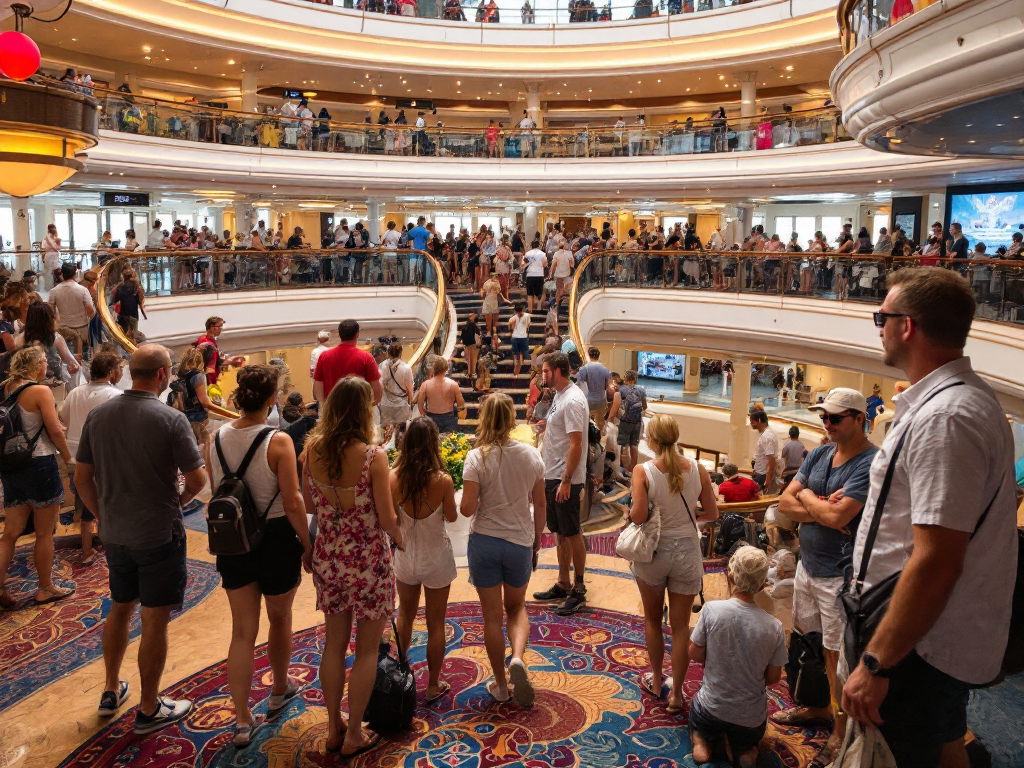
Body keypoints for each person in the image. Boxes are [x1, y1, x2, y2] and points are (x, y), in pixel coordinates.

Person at [842, 268, 1017, 768]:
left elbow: (937, 559)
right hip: (923, 640)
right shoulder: (948, 404)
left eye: (882, 316)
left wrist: (877, 662)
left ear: (907, 326)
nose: (878, 326)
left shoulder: (947, 418)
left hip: (916, 650)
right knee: (943, 746)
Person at [74, 344, 207, 731]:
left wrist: (102, 514)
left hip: (115, 533)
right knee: (154, 621)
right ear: (164, 374)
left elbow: (82, 478)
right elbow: (198, 479)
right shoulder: (170, 418)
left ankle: (111, 688)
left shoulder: (98, 416)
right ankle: (149, 707)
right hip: (158, 533)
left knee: (120, 607)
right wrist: (176, 504)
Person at [773, 387, 877, 768]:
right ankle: (816, 706)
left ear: (858, 419)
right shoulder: (819, 453)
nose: (826, 424)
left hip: (839, 576)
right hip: (807, 566)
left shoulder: (870, 463)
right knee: (808, 644)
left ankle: (838, 729)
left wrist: (810, 501)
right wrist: (822, 505)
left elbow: (839, 517)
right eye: (824, 417)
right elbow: (784, 502)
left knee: (837, 656)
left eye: (835, 418)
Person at [209, 366, 312, 746]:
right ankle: (279, 689)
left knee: (242, 631)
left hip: (233, 539)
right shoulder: (279, 441)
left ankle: (240, 720)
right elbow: (293, 500)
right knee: (280, 617)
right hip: (275, 537)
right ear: (272, 398)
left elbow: (218, 489)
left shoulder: (215, 437)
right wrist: (307, 542)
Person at [303, 376, 403, 757]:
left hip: (329, 554)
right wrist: (401, 539)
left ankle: (333, 727)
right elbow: (387, 517)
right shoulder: (373, 457)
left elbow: (312, 506)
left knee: (333, 643)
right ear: (364, 411)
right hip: (367, 559)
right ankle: (354, 735)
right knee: (366, 650)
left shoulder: (311, 448)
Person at [629, 414, 719, 712]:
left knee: (653, 621)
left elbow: (639, 516)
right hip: (687, 552)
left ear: (651, 439)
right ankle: (677, 694)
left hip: (654, 553)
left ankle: (657, 680)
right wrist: (691, 521)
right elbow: (712, 514)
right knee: (680, 628)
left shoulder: (643, 471)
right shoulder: (698, 470)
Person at [461, 393, 546, 706]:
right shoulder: (531, 455)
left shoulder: (477, 457)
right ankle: (518, 658)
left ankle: (499, 684)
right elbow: (540, 503)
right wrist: (537, 539)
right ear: (512, 420)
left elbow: (468, 509)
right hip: (519, 540)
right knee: (517, 607)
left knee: (491, 617)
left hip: (484, 540)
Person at [688, 546, 787, 768]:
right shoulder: (774, 627)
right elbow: (773, 677)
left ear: (730, 574)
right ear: (762, 584)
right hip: (750, 722)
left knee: (699, 715)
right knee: (748, 737)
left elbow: (694, 652)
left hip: (710, 710)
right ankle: (745, 751)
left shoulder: (712, 609)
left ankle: (701, 742)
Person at [0, 345, 76, 608]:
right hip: (39, 463)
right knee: (45, 532)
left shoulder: (6, 387)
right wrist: (69, 459)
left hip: (11, 464)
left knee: (10, 532)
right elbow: (55, 431)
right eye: (44, 361)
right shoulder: (40, 391)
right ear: (35, 366)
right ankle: (45, 588)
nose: (47, 366)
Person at [391, 418, 457, 704]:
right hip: (436, 557)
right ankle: (432, 685)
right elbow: (452, 517)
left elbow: (391, 519)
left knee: (405, 616)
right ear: (433, 443)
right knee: (436, 624)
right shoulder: (442, 480)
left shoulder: (394, 477)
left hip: (406, 555)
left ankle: (402, 673)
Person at [532, 353, 590, 616]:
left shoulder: (574, 400)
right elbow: (565, 432)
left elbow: (577, 443)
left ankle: (578, 590)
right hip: (553, 474)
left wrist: (567, 480)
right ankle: (563, 581)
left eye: (546, 371)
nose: (543, 376)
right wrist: (547, 425)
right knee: (560, 533)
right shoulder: (559, 394)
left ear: (558, 371)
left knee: (572, 532)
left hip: (566, 478)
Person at [59, 351, 123, 566]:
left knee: (85, 504)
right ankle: (113, 545)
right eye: (120, 368)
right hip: (101, 457)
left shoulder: (75, 392)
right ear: (113, 372)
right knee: (107, 503)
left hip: (75, 454)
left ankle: (87, 549)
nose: (121, 372)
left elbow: (64, 418)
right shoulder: (115, 396)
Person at [313, 319, 381, 405]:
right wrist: (370, 405)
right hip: (358, 408)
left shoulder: (324, 356)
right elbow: (376, 389)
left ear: (339, 334)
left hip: (333, 408)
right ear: (357, 334)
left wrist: (325, 405)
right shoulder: (366, 357)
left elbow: (318, 386)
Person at [48, 263, 95, 356]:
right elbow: (89, 308)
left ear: (62, 275)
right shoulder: (83, 290)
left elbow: (50, 311)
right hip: (82, 328)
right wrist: (92, 318)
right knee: (83, 355)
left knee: (67, 356)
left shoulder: (54, 291)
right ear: (75, 274)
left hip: (64, 329)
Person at [416, 357, 466, 434]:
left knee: (433, 443)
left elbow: (420, 405)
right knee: (448, 443)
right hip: (449, 417)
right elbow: (461, 404)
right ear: (446, 369)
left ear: (434, 368)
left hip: (431, 418)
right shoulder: (453, 384)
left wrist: (426, 415)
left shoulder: (425, 385)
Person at [196, 316, 244, 390]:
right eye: (220, 326)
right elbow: (209, 366)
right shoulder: (206, 343)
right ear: (212, 327)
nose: (221, 329)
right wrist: (211, 384)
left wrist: (231, 361)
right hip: (209, 381)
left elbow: (217, 359)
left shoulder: (209, 340)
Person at [378, 342, 414, 436]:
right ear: (400, 352)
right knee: (400, 432)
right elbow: (409, 389)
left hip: (386, 403)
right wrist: (411, 404)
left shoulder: (382, 365)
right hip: (401, 405)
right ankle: (399, 448)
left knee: (386, 431)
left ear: (388, 352)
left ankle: (386, 448)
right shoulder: (406, 368)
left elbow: (380, 384)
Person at [616, 369, 647, 473]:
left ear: (625, 379)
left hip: (625, 421)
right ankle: (633, 469)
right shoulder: (641, 390)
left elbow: (618, 405)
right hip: (637, 421)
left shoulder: (622, 390)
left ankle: (625, 470)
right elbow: (645, 406)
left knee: (624, 446)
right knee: (634, 446)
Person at [574, 347, 611, 430]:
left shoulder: (584, 369)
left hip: (588, 399)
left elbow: (578, 383)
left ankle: (589, 440)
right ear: (598, 356)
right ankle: (599, 439)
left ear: (589, 355)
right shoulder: (605, 370)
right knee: (600, 423)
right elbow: (606, 386)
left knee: (586, 422)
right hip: (601, 399)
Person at [748, 410, 777, 491]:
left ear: (759, 420)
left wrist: (768, 479)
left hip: (762, 475)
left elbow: (771, 459)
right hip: (760, 472)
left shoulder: (766, 437)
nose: (751, 423)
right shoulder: (766, 434)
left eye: (752, 421)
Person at [522, 244, 547, 313]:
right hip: (539, 275)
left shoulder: (527, 254)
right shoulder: (542, 254)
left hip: (530, 275)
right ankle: (539, 308)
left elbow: (523, 264)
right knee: (540, 293)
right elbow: (544, 264)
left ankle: (530, 309)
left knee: (530, 294)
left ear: (531, 247)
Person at [509, 303, 531, 377]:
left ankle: (516, 371)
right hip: (521, 337)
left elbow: (510, 326)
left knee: (517, 355)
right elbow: (528, 326)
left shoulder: (513, 318)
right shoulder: (526, 316)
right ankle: (517, 370)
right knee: (518, 355)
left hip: (517, 337)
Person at [461, 312, 481, 384]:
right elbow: (477, 335)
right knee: (473, 359)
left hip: (467, 344)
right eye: (473, 315)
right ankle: (472, 373)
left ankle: (470, 373)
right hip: (472, 343)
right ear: (470, 318)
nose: (474, 315)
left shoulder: (466, 326)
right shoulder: (472, 325)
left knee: (469, 360)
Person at [41, 224, 62, 290]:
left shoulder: (52, 237)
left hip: (53, 256)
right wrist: (58, 243)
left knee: (52, 272)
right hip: (51, 256)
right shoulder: (49, 237)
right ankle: (50, 288)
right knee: (50, 273)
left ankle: (52, 287)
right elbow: (56, 247)